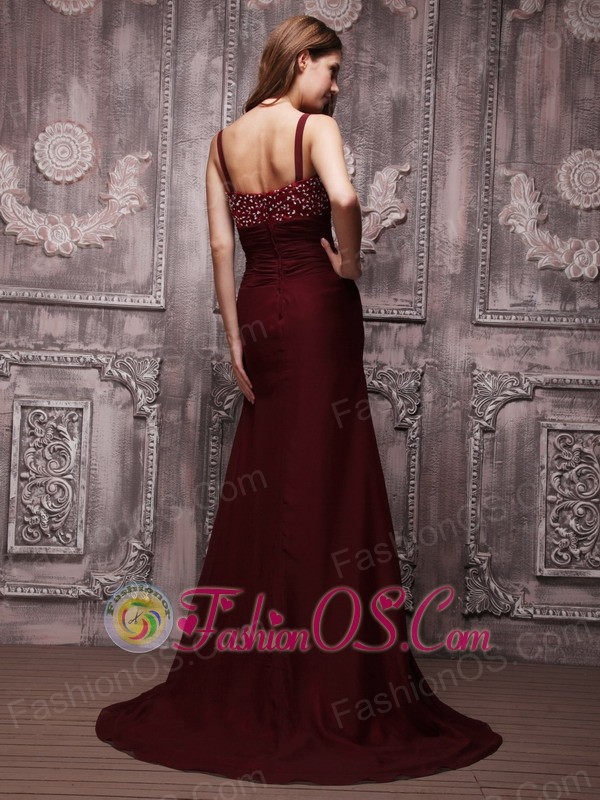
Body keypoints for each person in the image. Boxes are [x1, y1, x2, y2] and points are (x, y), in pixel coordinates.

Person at [95, 14, 503, 785]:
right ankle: (334, 680)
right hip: (317, 310)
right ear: (301, 60)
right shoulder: (314, 129)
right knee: (328, 475)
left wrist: (233, 338)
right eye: (332, 70)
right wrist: (348, 262)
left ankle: (258, 663)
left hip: (258, 311)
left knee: (270, 476)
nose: (337, 86)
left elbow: (222, 246)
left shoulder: (222, 143)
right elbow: (343, 197)